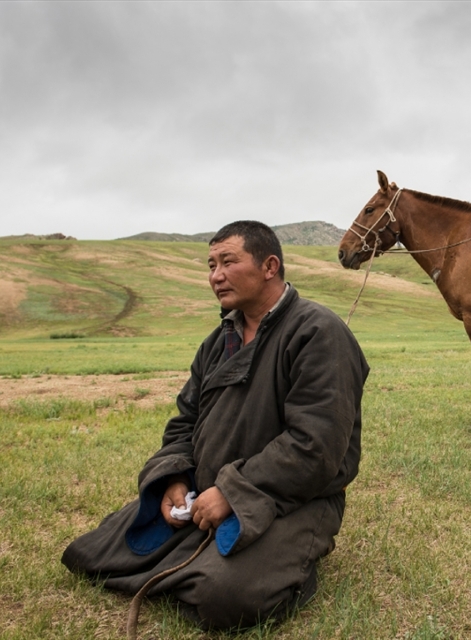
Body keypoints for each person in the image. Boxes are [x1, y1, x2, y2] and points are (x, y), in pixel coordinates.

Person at [62, 220, 369, 630]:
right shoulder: (218, 340)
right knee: (89, 554)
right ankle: (204, 554)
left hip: (294, 498)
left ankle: (292, 566)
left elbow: (316, 446)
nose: (215, 276)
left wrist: (232, 491)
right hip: (205, 493)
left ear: (269, 266)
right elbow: (185, 422)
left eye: (228, 261)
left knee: (222, 600)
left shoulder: (318, 333)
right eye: (210, 265)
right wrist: (173, 481)